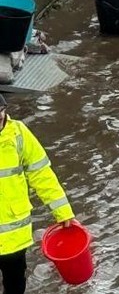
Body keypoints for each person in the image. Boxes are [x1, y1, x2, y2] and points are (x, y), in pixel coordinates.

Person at [0, 94, 76, 294]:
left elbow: (42, 175)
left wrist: (64, 213)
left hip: (13, 235)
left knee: (15, 284)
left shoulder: (18, 134)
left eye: (0, 112)